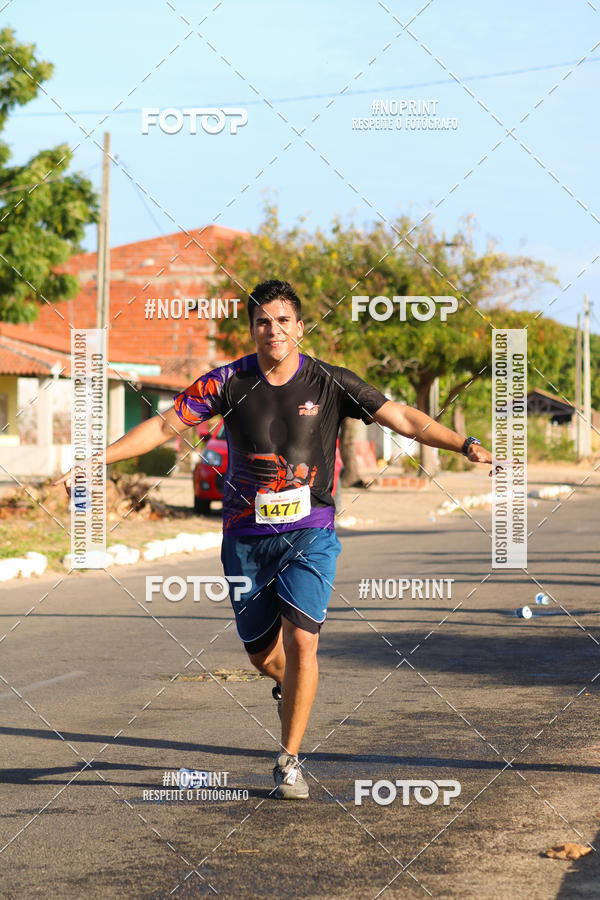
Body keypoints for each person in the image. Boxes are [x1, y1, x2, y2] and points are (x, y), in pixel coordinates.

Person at [57, 279, 493, 800]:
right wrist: (94, 460)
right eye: (263, 321)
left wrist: (462, 443)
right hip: (245, 537)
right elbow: (164, 426)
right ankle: (287, 686)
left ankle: (288, 759)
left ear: (300, 327)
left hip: (311, 532)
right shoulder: (226, 382)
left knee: (303, 641)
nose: (274, 330)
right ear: (252, 329)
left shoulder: (332, 382)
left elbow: (401, 417)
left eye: (283, 320)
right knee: (262, 655)